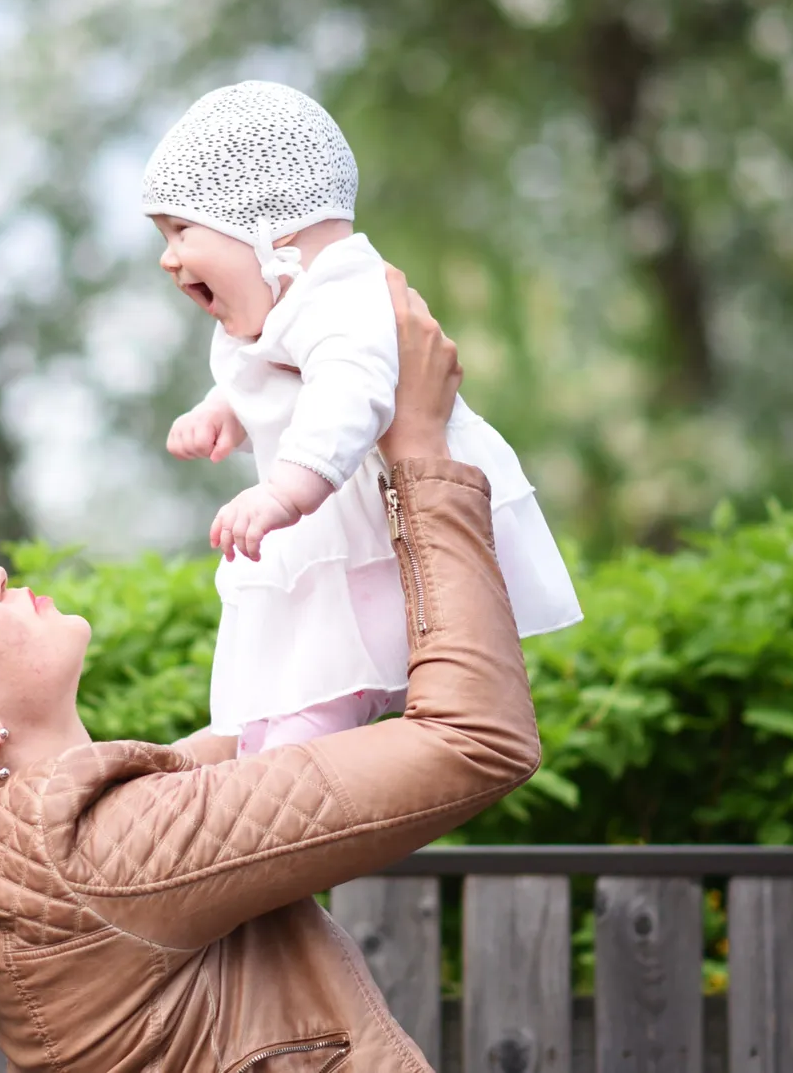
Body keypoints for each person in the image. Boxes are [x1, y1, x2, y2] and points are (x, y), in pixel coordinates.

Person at [0, 271, 541, 1071]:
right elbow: (474, 740)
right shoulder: (90, 859)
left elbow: (287, 723)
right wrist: (422, 451)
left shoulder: (40, 878)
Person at [145, 79, 581, 755]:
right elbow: (262, 373)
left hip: (382, 535)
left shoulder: (343, 293)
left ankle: (278, 782)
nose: (167, 258)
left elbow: (349, 393)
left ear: (268, 227)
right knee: (275, 707)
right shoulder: (275, 308)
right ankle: (266, 766)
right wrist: (220, 410)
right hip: (352, 537)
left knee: (310, 706)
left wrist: (284, 491)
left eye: (180, 230)